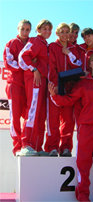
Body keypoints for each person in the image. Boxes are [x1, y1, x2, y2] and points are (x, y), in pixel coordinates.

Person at [48, 53, 93, 201]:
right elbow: (69, 100)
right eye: (92, 60)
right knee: (83, 165)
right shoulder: (84, 83)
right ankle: (83, 197)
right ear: (89, 65)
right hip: (86, 128)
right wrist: (54, 96)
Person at [44, 23, 82, 157]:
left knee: (68, 121)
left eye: (67, 32)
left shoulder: (73, 48)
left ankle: (65, 147)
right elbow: (51, 67)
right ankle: (52, 147)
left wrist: (69, 53)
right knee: (53, 120)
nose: (65, 35)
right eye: (62, 32)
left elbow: (78, 65)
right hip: (55, 88)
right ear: (57, 33)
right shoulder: (53, 47)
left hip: (70, 90)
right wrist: (54, 85)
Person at [18, 19, 53, 156]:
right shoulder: (35, 41)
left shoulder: (45, 44)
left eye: (49, 29)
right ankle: (26, 144)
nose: (47, 31)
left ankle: (37, 147)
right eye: (44, 29)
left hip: (43, 81)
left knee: (41, 114)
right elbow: (22, 57)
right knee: (32, 112)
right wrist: (34, 69)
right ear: (38, 30)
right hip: (35, 80)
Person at [3, 19, 31, 156]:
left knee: (29, 115)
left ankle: (27, 144)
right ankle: (17, 146)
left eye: (27, 30)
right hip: (14, 84)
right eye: (23, 29)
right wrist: (26, 65)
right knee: (14, 117)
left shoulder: (32, 43)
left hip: (29, 86)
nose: (25, 32)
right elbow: (9, 62)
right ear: (18, 29)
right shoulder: (11, 43)